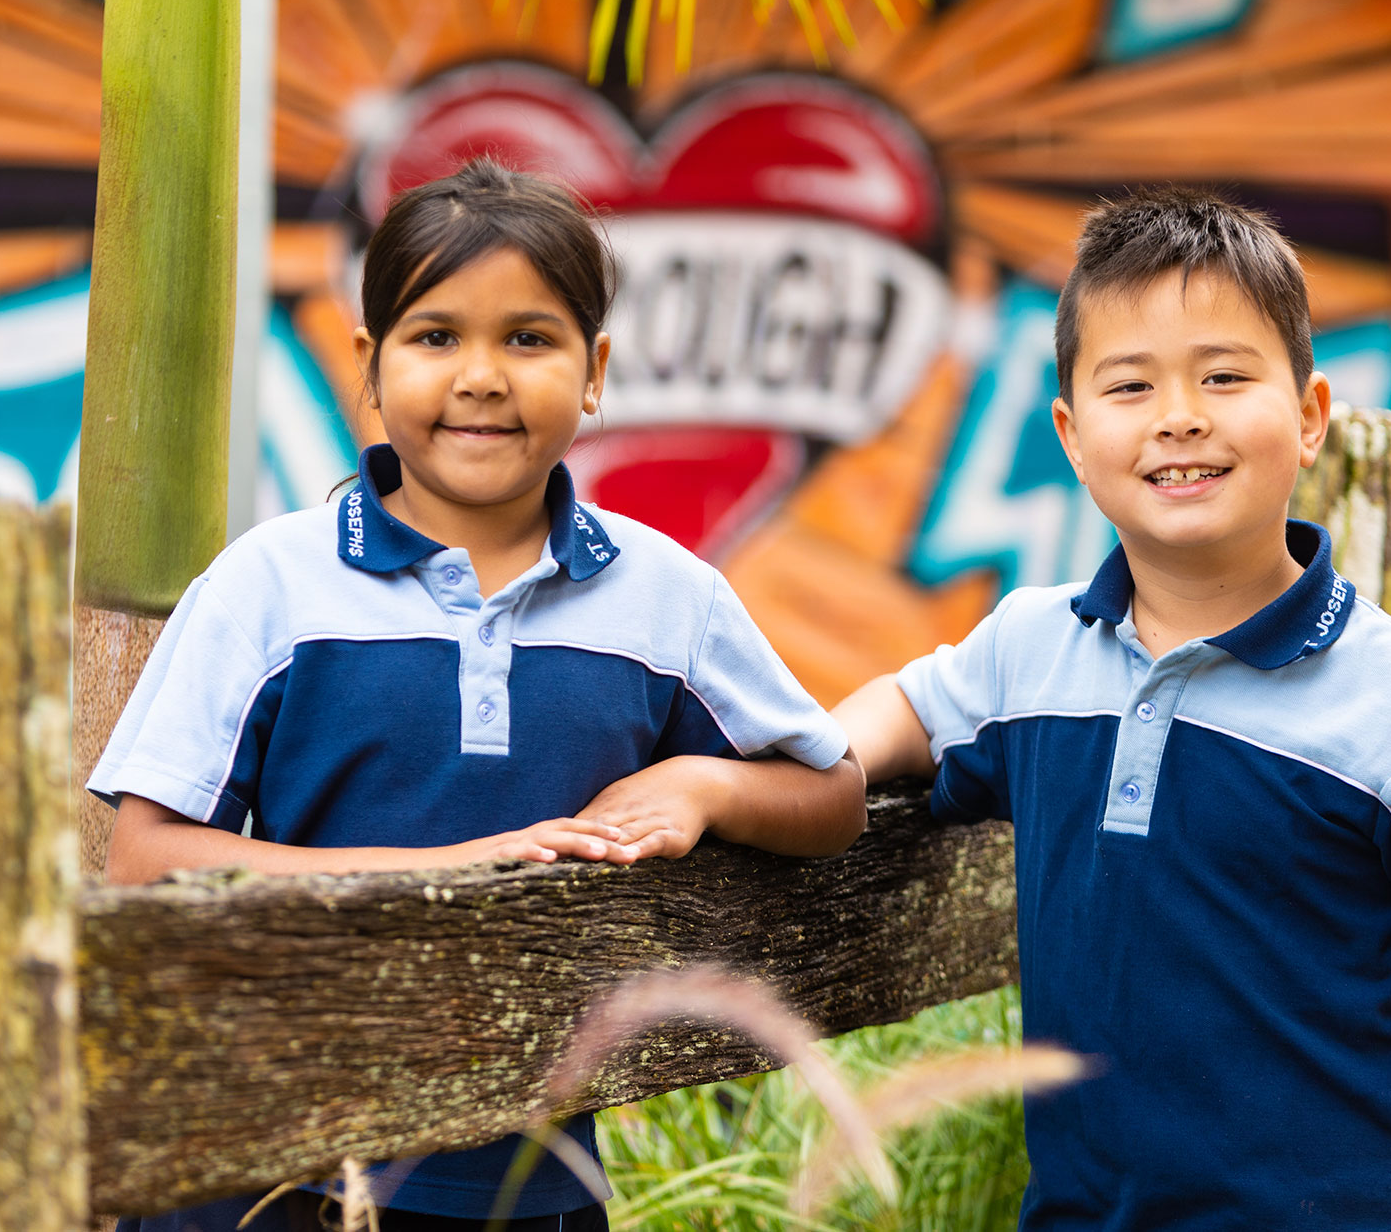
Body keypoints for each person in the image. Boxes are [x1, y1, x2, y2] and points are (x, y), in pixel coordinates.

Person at [89, 157, 866, 1232]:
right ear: (370, 363)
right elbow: (147, 860)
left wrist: (699, 783)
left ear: (594, 369)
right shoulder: (270, 587)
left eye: (528, 338)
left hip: (529, 1185)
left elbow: (831, 796)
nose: (481, 376)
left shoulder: (664, 599)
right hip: (264, 1171)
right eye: (436, 335)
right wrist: (440, 876)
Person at [833, 188, 1391, 1231]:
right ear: (1070, 433)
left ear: (1310, 414)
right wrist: (777, 770)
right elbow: (905, 709)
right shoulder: (1029, 649)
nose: (1178, 415)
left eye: (1223, 376)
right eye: (1128, 385)